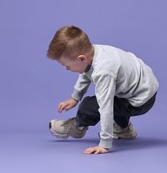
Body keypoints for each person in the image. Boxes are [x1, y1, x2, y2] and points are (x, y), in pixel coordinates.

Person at [47, 25, 159, 155]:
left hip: (141, 101)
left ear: (81, 58)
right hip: (142, 88)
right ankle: (124, 130)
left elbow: (105, 108)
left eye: (67, 66)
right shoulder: (93, 51)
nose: (67, 69)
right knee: (115, 99)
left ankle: (78, 126)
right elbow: (86, 72)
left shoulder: (103, 71)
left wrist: (104, 144)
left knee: (90, 105)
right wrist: (75, 97)